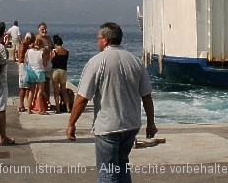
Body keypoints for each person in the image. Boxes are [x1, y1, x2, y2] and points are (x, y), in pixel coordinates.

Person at [67, 22, 157, 183]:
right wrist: (151, 123)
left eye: (98, 39)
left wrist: (72, 123)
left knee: (107, 172)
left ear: (106, 40)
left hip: (108, 127)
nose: (97, 42)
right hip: (131, 125)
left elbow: (82, 98)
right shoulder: (135, 61)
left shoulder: (97, 62)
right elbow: (147, 96)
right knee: (122, 166)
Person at [25, 38, 47, 115]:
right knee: (40, 92)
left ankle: (29, 109)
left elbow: (25, 61)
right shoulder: (41, 53)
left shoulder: (29, 51)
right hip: (40, 72)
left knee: (31, 91)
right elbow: (45, 64)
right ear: (41, 45)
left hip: (31, 72)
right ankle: (40, 109)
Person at [50, 34, 71, 113]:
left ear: (55, 43)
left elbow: (52, 60)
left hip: (55, 70)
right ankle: (68, 107)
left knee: (56, 91)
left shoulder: (54, 51)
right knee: (64, 90)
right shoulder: (67, 52)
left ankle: (58, 108)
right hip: (63, 71)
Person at [36, 23, 54, 109]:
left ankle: (47, 101)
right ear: (39, 30)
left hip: (48, 64)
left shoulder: (49, 39)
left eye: (45, 29)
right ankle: (37, 102)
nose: (44, 31)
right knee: (38, 85)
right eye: (42, 29)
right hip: (39, 65)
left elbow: (53, 48)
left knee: (47, 84)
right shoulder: (37, 38)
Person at [17, 32, 34, 112]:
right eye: (30, 41)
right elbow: (20, 59)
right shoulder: (23, 46)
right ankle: (21, 104)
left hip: (26, 67)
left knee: (27, 87)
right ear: (27, 39)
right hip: (23, 67)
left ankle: (27, 104)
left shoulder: (26, 46)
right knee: (23, 87)